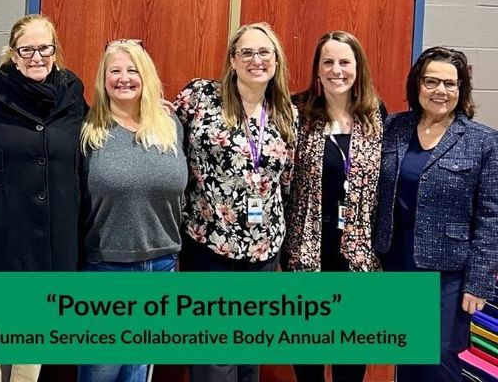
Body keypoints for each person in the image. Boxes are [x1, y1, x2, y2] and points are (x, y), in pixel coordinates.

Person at [0, 14, 87, 382]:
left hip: (53, 231)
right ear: (13, 54)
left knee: (35, 345)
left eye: (44, 48)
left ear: (55, 50)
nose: (36, 56)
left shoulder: (72, 92)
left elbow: (102, 127)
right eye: (26, 49)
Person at [173, 21, 297, 382]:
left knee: (248, 354)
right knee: (214, 357)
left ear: (276, 60)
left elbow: (285, 183)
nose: (256, 60)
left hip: (262, 251)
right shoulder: (199, 97)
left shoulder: (288, 112)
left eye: (264, 52)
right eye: (247, 52)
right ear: (232, 59)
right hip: (208, 245)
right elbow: (166, 143)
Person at [374, 46, 498, 382]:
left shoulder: (482, 141)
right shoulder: (393, 128)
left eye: (450, 83)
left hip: (448, 271)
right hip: (396, 262)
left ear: (461, 89)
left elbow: (491, 217)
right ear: (417, 85)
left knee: (438, 356)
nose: (440, 91)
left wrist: (479, 282)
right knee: (406, 353)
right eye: (431, 81)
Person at [78, 39, 187, 382]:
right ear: (103, 79)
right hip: (105, 268)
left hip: (162, 266)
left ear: (146, 77)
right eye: (115, 71)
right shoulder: (87, 133)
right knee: (101, 370)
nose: (124, 78)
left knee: (138, 370)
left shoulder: (172, 128)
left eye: (132, 70)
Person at [282, 31, 384, 382]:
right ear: (317, 68)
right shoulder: (297, 112)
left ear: (358, 67)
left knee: (351, 349)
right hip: (307, 248)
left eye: (345, 62)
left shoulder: (375, 115)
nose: (336, 70)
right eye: (328, 62)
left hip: (357, 252)